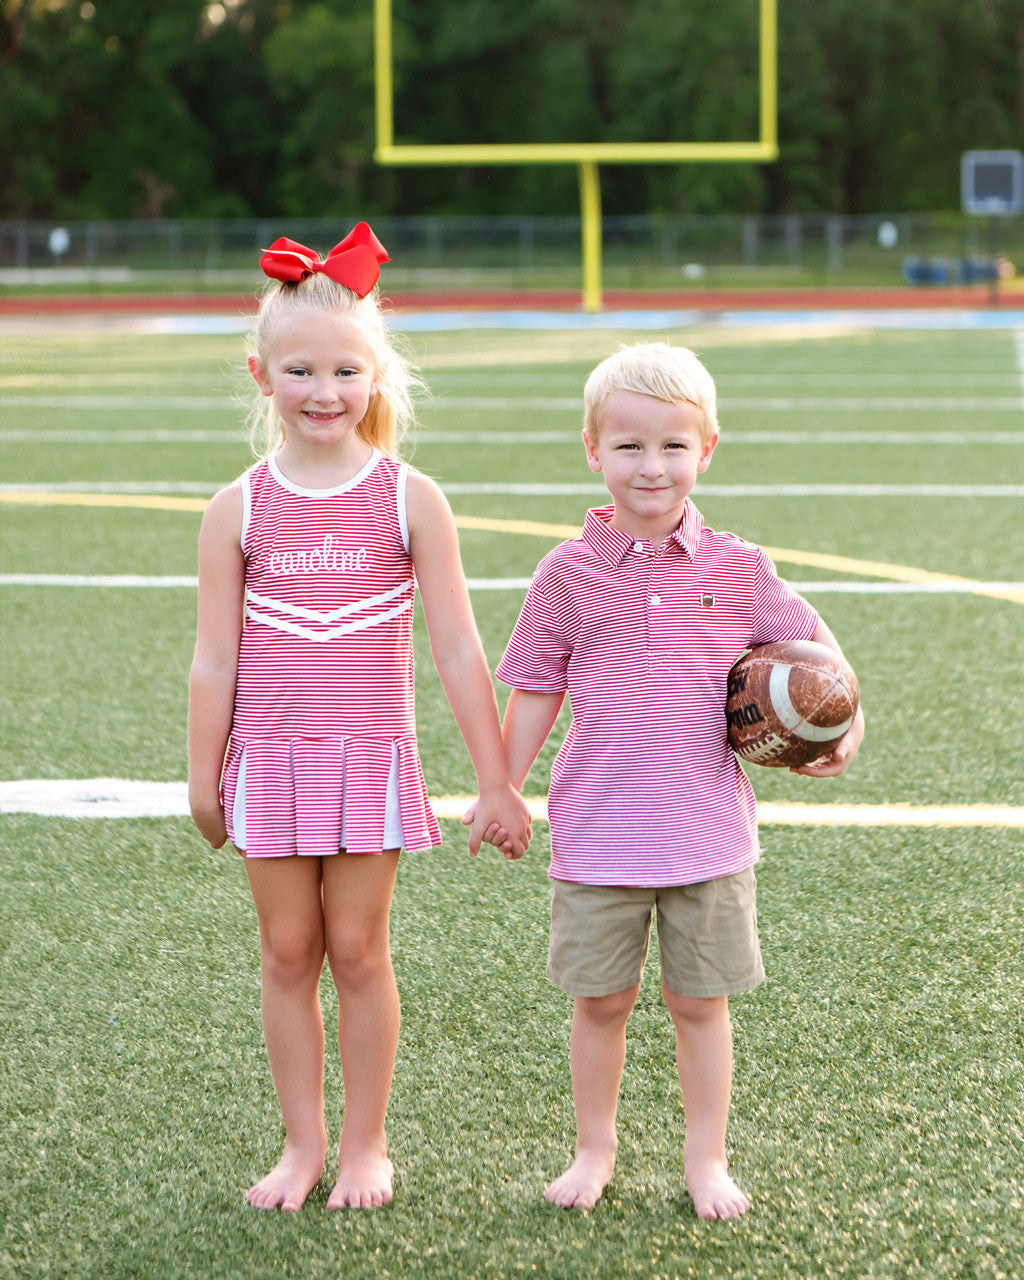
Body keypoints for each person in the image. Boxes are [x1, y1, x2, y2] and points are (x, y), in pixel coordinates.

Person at [187, 223, 531, 1213]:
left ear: (378, 375)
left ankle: (366, 1145)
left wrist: (497, 775)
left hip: (368, 762)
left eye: (345, 369)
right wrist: (201, 773)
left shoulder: (411, 498)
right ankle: (302, 1145)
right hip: (268, 762)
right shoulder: (236, 508)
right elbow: (214, 656)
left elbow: (460, 649)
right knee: (286, 951)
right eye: (300, 369)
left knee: (359, 950)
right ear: (261, 373)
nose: (323, 390)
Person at [495, 342, 864, 1219]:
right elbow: (535, 689)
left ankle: (707, 1160)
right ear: (593, 450)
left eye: (672, 446)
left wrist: (845, 727)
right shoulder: (566, 573)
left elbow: (822, 658)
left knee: (700, 1006)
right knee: (602, 1005)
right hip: (598, 835)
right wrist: (502, 785)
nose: (650, 466)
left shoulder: (739, 566)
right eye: (628, 446)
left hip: (708, 835)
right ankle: (595, 1151)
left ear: (707, 449)